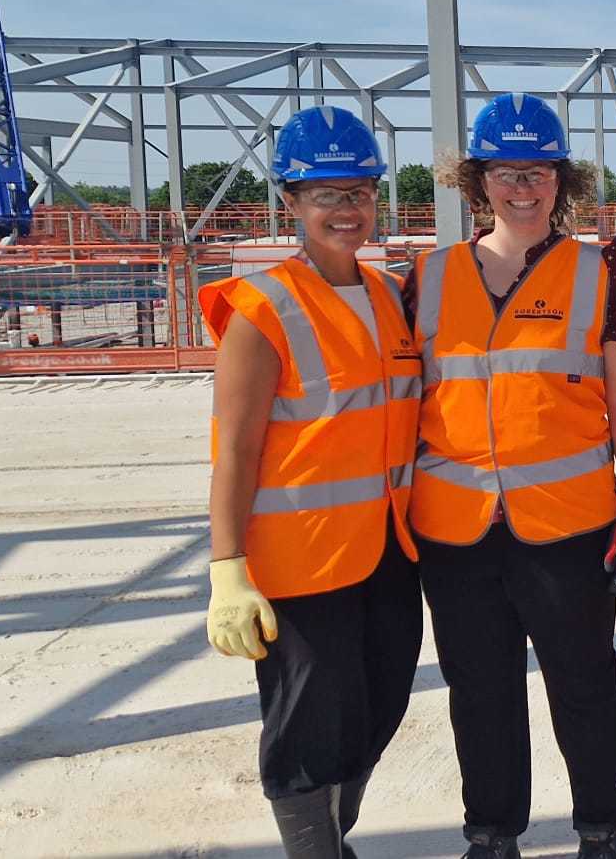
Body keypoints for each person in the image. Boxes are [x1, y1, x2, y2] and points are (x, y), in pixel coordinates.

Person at [405, 92, 616, 859]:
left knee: (584, 687)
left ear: (561, 180)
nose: (523, 186)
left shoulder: (599, 274)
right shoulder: (427, 276)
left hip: (568, 525)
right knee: (481, 693)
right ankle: (492, 832)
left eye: (538, 171)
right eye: (506, 172)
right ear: (477, 182)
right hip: (457, 531)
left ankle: (600, 828)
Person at [200, 104, 422, 858]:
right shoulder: (262, 310)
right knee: (307, 723)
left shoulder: (393, 297)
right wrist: (227, 569)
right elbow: (234, 449)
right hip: (300, 561)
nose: (347, 208)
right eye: (326, 194)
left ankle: (331, 834)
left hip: (388, 550)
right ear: (290, 202)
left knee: (381, 705)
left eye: (359, 191)